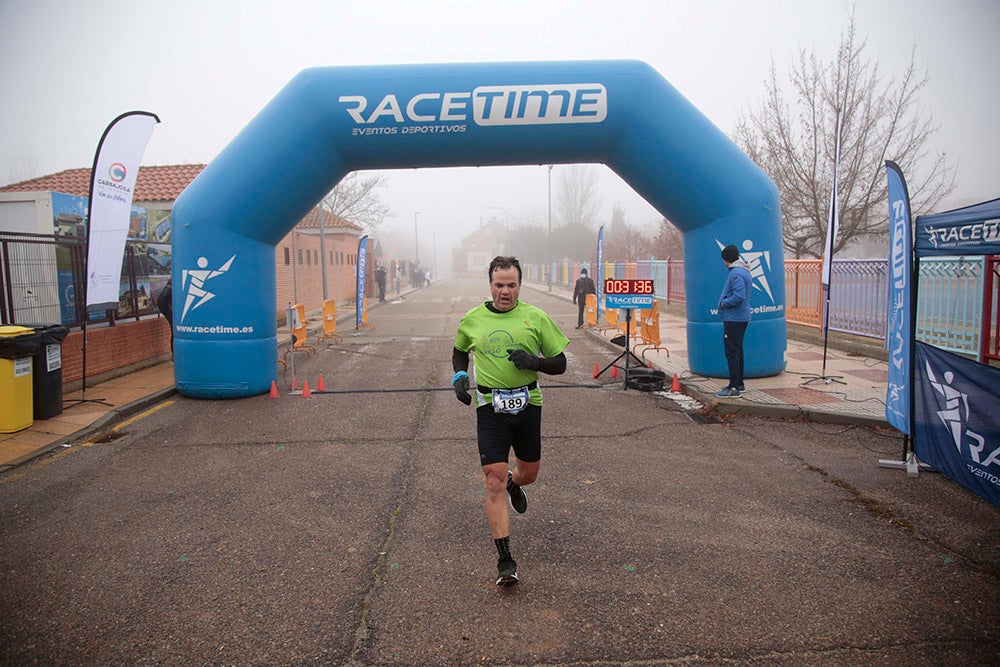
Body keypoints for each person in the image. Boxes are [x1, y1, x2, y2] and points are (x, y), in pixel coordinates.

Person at [451, 256, 569, 586]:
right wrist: (460, 375)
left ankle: (516, 484)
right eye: (499, 285)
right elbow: (460, 350)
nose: (505, 291)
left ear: (520, 285)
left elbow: (560, 363)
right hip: (490, 407)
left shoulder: (536, 317)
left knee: (528, 473)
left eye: (511, 285)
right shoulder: (473, 319)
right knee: (493, 481)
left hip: (528, 403)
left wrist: (533, 360)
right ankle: (505, 560)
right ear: (490, 285)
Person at [716, 244, 752, 398]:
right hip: (741, 317)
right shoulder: (743, 271)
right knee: (738, 351)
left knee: (731, 353)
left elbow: (739, 296)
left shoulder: (736, 274)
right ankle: (739, 383)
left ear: (725, 259)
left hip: (734, 318)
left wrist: (724, 303)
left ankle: (733, 387)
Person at [156, 279, 174, 355]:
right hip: (173, 315)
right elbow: (161, 301)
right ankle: (175, 357)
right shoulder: (171, 286)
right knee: (176, 335)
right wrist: (169, 313)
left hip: (176, 314)